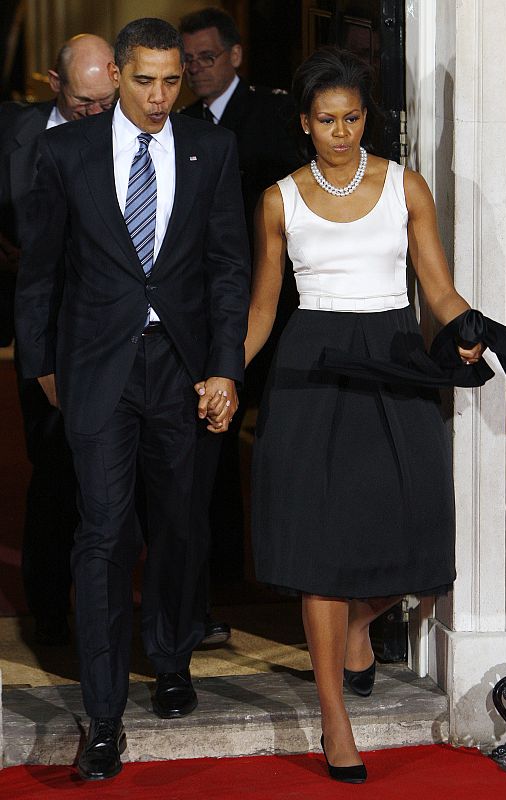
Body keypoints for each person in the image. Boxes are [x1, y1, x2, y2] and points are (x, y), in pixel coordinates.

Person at [239, 47, 484, 783]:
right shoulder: (277, 199)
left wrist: (468, 331)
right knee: (319, 549)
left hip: (393, 354)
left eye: (351, 119)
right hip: (311, 364)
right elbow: (261, 308)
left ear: (364, 119)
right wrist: (223, 373)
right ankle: (332, 719)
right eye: (326, 121)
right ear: (304, 124)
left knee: (418, 527)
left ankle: (357, 624)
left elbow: (436, 289)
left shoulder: (404, 186)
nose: (341, 133)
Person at [15, 17, 250, 781]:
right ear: (116, 75)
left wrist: (225, 368)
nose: (158, 96)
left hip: (181, 370)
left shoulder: (209, 149)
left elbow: (225, 269)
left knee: (180, 524)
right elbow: (40, 269)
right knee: (105, 533)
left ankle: (173, 657)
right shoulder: (65, 150)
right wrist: (44, 367)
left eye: (171, 81)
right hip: (97, 371)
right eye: (144, 80)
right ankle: (107, 714)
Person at [179, 6, 302, 645]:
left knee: (277, 440)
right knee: (211, 440)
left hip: (279, 310)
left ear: (234, 57)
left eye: (205, 57)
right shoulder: (175, 124)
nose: (196, 69)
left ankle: (281, 569)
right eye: (188, 59)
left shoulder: (276, 118)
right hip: (205, 311)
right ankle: (222, 568)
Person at [0, 33, 116, 645]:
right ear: (53, 83)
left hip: (116, 332)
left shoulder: (133, 134)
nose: (96, 114)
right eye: (83, 102)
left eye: (106, 100)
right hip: (43, 330)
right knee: (53, 473)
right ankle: (50, 611)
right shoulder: (12, 134)